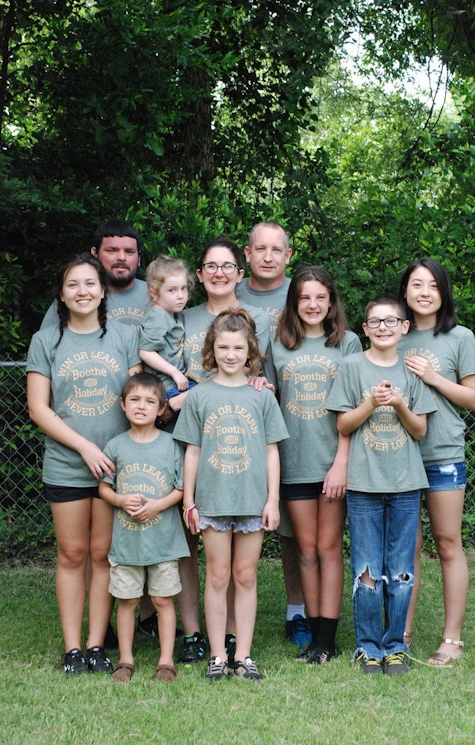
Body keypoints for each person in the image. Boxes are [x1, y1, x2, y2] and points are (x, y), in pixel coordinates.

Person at [26, 253, 142, 674]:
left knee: (103, 554)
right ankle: (72, 648)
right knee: (72, 554)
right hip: (68, 463)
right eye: (72, 284)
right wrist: (85, 449)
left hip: (117, 467)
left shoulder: (125, 336)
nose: (82, 291)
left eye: (90, 283)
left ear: (102, 289)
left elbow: (137, 399)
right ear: (61, 293)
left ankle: (97, 644)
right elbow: (39, 409)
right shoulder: (46, 340)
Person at [167, 236, 270, 665]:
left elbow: (264, 371)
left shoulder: (257, 319)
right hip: (197, 431)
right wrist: (170, 395)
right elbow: (157, 362)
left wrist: (260, 381)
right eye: (211, 265)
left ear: (239, 272)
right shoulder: (183, 317)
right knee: (198, 553)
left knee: (240, 570)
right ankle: (197, 635)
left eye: (227, 265)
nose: (219, 272)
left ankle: (235, 645)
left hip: (243, 446)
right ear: (199, 273)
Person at [173, 309, 289, 680]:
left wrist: (272, 499)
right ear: (211, 349)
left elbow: (272, 450)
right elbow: (192, 450)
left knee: (245, 576)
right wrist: (188, 500)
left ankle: (244, 654)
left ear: (250, 350)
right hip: (212, 499)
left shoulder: (263, 396)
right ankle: (218, 655)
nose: (230, 354)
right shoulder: (199, 396)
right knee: (218, 576)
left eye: (238, 347)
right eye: (222, 346)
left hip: (253, 499)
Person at [327, 296, 436, 675]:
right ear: (366, 328)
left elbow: (420, 429)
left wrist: (402, 405)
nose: (384, 327)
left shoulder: (412, 369)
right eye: (376, 322)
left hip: (406, 483)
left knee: (401, 570)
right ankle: (368, 647)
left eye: (392, 321)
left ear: (405, 327)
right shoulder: (353, 366)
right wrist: (372, 403)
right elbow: (343, 425)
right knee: (367, 571)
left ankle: (395, 646)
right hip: (363, 484)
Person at [264, 266, 362, 664]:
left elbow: (355, 408)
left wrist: (341, 463)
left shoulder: (349, 344)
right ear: (293, 302)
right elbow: (267, 396)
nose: (313, 304)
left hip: (333, 462)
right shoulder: (279, 344)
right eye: (304, 297)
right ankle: (313, 635)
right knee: (304, 550)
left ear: (331, 301)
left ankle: (328, 636)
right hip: (294, 460)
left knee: (328, 549)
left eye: (320, 297)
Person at [397, 259, 475, 665]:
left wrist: (433, 377)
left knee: (448, 544)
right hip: (397, 457)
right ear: (406, 292)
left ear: (443, 292)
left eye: (433, 285)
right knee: (405, 548)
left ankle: (452, 639)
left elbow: (474, 399)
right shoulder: (394, 334)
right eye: (416, 284)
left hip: (442, 455)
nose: (425, 292)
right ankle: (403, 633)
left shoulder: (459, 337)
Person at [237, 221, 309, 649]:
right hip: (238, 429)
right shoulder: (231, 294)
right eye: (259, 248)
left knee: (293, 532)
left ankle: (297, 612)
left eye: (275, 249)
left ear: (288, 253)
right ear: (247, 253)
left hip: (295, 427)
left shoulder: (302, 296)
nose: (267, 256)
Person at [98, 373, 190, 683]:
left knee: (164, 600)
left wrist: (157, 505)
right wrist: (121, 500)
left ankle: (166, 661)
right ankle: (126, 660)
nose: (141, 406)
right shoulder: (115, 446)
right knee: (127, 602)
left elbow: (181, 489)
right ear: (122, 405)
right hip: (127, 543)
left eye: (150, 401)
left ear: (162, 408)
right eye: (134, 400)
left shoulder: (171, 445)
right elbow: (104, 489)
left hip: (163, 540)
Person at [41, 219, 147, 329]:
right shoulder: (78, 296)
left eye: (129, 252)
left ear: (139, 258)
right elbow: (47, 341)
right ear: (95, 253)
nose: (121, 258)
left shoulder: (157, 295)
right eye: (112, 250)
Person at [139, 255, 196, 399]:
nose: (180, 295)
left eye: (183, 288)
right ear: (155, 294)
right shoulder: (157, 317)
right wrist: (175, 373)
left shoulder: (170, 314)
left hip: (176, 382)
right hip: (165, 386)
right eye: (172, 290)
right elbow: (146, 352)